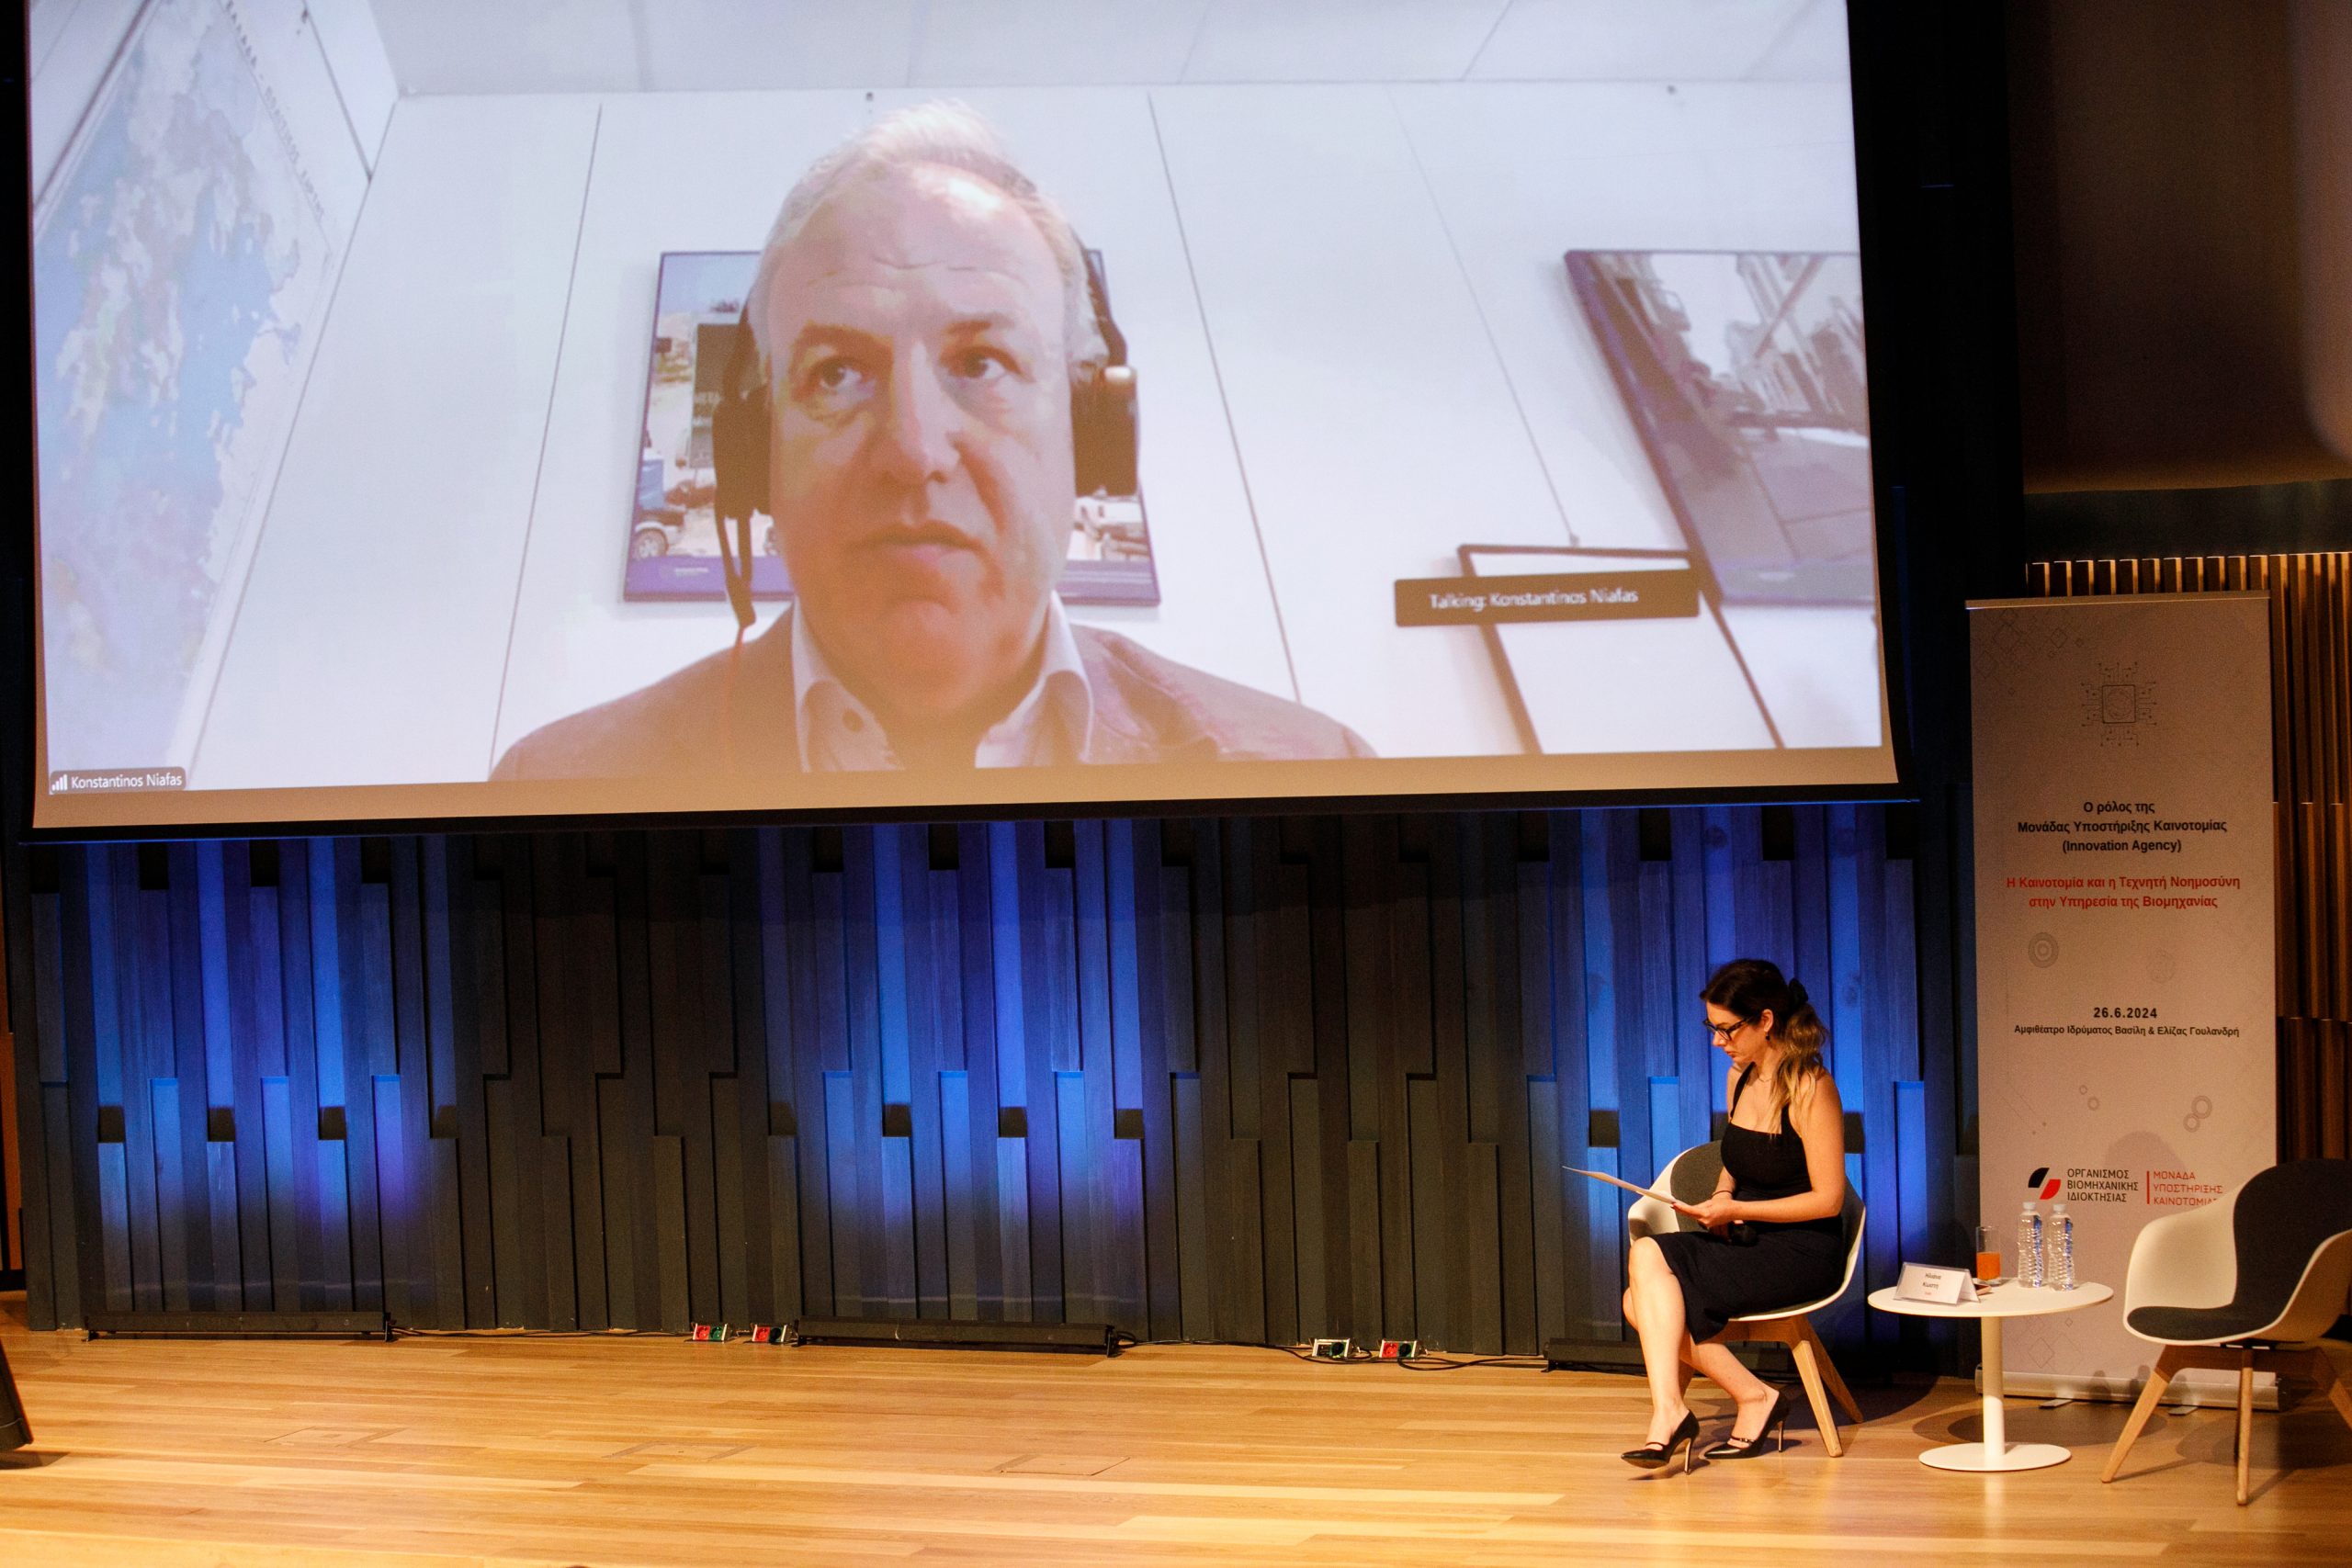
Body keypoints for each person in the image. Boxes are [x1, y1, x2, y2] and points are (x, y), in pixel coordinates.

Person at [494, 103, 1367, 781]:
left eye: (982, 363)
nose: (914, 452)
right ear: (755, 455)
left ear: (1090, 432)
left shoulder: (1314, 780)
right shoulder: (557, 797)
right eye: (837, 373)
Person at [1619, 958, 1848, 1469]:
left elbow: (1828, 1199)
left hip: (1802, 1249)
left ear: (1765, 1020)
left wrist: (1737, 1207)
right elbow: (1737, 1158)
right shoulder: (1739, 1078)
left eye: (1727, 1029)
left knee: (1644, 1291)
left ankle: (1715, 1406)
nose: (1718, 1041)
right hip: (1747, 1239)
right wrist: (1723, 1195)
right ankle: (1700, 1405)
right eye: (1713, 1028)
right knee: (1641, 1282)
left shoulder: (1812, 1087)